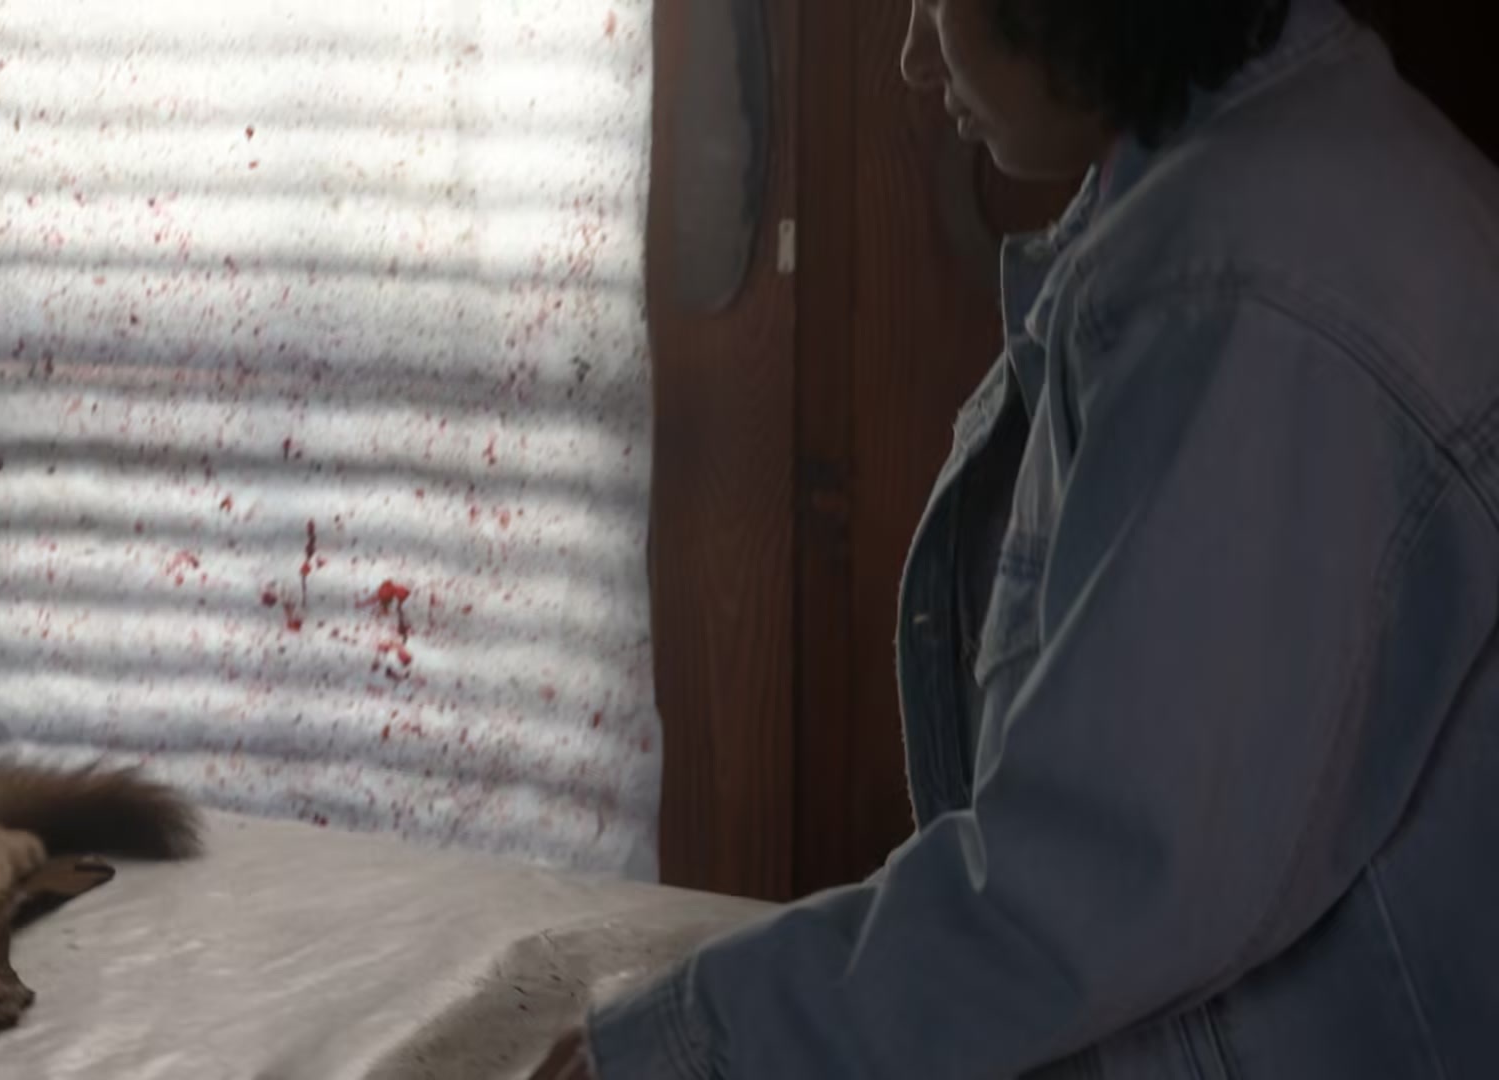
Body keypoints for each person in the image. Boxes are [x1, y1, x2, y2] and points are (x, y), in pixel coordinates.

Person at [530, 0, 1499, 1075]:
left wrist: (693, 1048)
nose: (913, 56)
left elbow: (1091, 880)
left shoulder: (1243, 289)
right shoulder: (1260, 196)